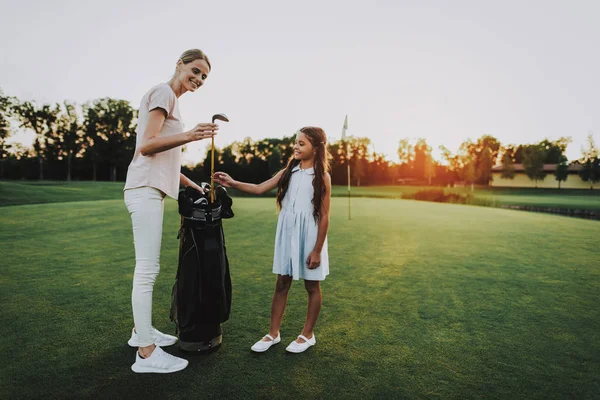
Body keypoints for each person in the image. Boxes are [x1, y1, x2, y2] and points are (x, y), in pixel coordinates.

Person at [123, 49, 219, 373]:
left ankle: (141, 333)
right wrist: (190, 135)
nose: (199, 79)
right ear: (179, 65)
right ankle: (146, 354)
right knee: (147, 270)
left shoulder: (172, 101)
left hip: (152, 188)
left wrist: (194, 187)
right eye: (195, 71)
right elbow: (146, 146)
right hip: (144, 188)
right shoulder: (164, 92)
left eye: (204, 76)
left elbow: (167, 160)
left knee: (149, 267)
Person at [213, 127, 331, 354]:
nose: (296, 146)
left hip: (310, 236)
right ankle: (273, 333)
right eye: (295, 142)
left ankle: (307, 335)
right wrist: (233, 183)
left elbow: (324, 216)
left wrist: (317, 250)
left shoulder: (322, 176)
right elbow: (259, 188)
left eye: (302, 144)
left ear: (316, 148)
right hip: (287, 234)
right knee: (282, 283)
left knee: (312, 285)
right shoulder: (288, 172)